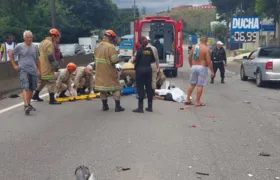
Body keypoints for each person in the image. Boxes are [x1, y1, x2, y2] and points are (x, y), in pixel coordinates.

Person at [9, 30, 40, 115]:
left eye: (31, 37)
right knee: (25, 86)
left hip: (33, 70)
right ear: (24, 38)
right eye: (28, 37)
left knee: (31, 88)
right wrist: (15, 65)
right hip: (23, 69)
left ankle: (28, 104)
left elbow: (38, 59)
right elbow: (11, 54)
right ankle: (26, 105)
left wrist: (39, 70)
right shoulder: (19, 46)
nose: (29, 39)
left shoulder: (35, 47)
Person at [94, 30, 124, 112]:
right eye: (113, 38)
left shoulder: (97, 46)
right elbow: (114, 60)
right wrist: (117, 56)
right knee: (116, 88)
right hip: (109, 71)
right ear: (110, 37)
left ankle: (105, 106)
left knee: (103, 89)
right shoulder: (110, 47)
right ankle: (117, 106)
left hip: (99, 72)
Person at [32, 28, 61, 104]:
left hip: (41, 67)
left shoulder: (42, 42)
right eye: (57, 36)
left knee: (43, 81)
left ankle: (35, 95)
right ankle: (52, 100)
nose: (58, 38)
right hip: (47, 67)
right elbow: (50, 56)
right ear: (54, 36)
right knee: (52, 81)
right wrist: (55, 66)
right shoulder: (49, 43)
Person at [185, 35, 214, 107]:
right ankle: (197, 102)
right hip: (202, 67)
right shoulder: (206, 49)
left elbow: (189, 57)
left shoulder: (194, 47)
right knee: (200, 85)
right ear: (206, 41)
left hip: (194, 66)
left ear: (200, 40)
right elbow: (209, 61)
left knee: (192, 84)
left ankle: (188, 99)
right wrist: (212, 71)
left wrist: (191, 65)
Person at [132, 36, 155, 113]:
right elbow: (153, 60)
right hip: (148, 70)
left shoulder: (139, 51)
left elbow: (135, 60)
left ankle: (140, 108)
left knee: (140, 88)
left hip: (140, 70)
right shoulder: (150, 50)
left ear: (140, 42)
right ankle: (150, 107)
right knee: (149, 88)